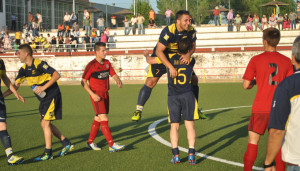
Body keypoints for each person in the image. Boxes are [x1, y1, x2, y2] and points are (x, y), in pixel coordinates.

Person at [131, 10, 207, 121]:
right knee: (150, 82)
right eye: (185, 20)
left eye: (189, 20)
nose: (188, 23)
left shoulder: (191, 31)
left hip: (178, 57)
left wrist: (187, 55)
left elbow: (193, 47)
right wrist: (170, 67)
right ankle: (138, 110)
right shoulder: (168, 31)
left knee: (194, 79)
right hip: (163, 57)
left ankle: (195, 109)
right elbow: (159, 51)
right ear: (178, 21)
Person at [4, 44, 74, 161]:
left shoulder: (40, 64)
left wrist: (43, 87)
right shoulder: (24, 70)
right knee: (44, 124)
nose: (18, 55)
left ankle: (48, 153)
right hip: (43, 99)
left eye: (19, 53)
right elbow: (15, 86)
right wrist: (2, 96)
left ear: (26, 54)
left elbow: (56, 75)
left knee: (45, 124)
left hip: (52, 96)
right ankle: (66, 143)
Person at [242, 28, 294, 171]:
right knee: (278, 144)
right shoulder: (287, 61)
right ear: (278, 41)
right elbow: (290, 85)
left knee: (253, 142)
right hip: (279, 109)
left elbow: (246, 85)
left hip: (260, 107)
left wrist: (254, 82)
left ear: (264, 41)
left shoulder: (256, 59)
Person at [145, 38, 198, 164]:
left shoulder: (167, 57)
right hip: (188, 94)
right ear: (189, 49)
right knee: (189, 126)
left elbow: (150, 60)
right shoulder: (191, 60)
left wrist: (146, 54)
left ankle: (176, 155)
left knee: (174, 126)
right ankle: (191, 154)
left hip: (173, 95)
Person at [264, 36, 300, 171]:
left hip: (297, 159)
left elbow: (277, 131)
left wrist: (268, 162)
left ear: (293, 58)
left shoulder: (287, 85)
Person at [81, 42, 125, 152]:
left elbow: (113, 73)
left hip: (106, 94)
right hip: (97, 95)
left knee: (98, 118)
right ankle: (111, 144)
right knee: (104, 118)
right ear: (96, 52)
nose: (105, 52)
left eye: (105, 50)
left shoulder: (107, 63)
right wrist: (92, 94)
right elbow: (83, 81)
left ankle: (90, 142)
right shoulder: (91, 65)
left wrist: (117, 80)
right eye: (103, 51)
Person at [0, 59, 25, 166]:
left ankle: (10, 156)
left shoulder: (1, 62)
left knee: (2, 125)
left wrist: (15, 92)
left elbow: (4, 78)